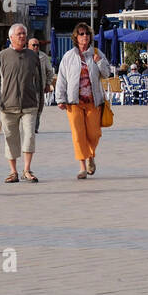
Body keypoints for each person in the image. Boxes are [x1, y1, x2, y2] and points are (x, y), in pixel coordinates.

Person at [0, 23, 45, 183]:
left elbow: (39, 81)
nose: (22, 36)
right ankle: (13, 172)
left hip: (30, 104)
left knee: (29, 136)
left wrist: (40, 103)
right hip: (8, 105)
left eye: (24, 34)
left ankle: (27, 169)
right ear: (11, 37)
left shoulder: (33, 56)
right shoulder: (2, 56)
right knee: (11, 138)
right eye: (19, 34)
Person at [55, 23, 108, 179]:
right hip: (74, 101)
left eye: (87, 33)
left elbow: (106, 74)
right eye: (81, 34)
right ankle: (83, 166)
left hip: (93, 101)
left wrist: (99, 61)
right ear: (76, 37)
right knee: (78, 135)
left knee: (94, 133)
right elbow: (62, 78)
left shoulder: (97, 53)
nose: (85, 36)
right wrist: (60, 98)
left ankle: (91, 155)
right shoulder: (69, 56)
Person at [28, 36, 56, 133]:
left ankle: (35, 127)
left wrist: (48, 84)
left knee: (39, 108)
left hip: (40, 86)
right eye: (34, 45)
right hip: (28, 88)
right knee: (30, 108)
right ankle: (29, 127)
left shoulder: (43, 57)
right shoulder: (24, 56)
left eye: (37, 45)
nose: (36, 47)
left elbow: (50, 72)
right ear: (28, 46)